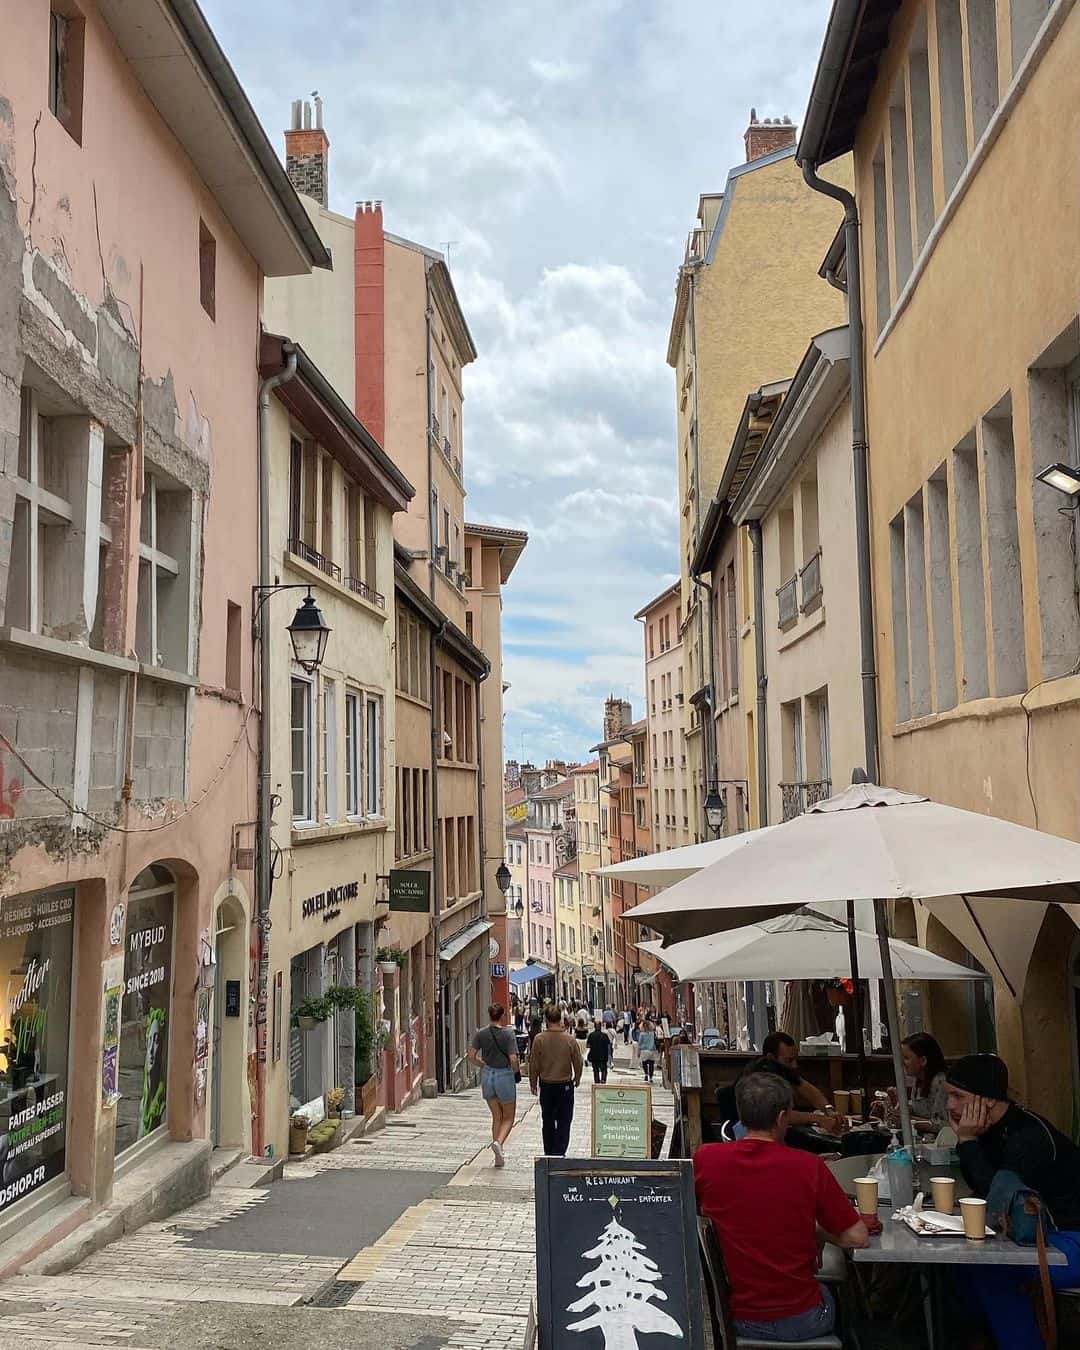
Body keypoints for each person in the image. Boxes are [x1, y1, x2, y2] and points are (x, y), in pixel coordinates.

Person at [695, 1072, 867, 1342]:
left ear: (742, 1114)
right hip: (801, 1318)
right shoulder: (809, 1166)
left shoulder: (706, 1159)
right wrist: (816, 1231)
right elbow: (857, 1237)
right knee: (837, 1297)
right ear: (781, 1117)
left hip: (734, 1316)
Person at [946, 1055, 1080, 1350]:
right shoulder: (991, 1129)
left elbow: (1001, 1203)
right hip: (1043, 1233)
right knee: (957, 1264)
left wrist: (967, 1141)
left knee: (994, 1268)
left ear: (986, 1099)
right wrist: (967, 1141)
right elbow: (982, 1186)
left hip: (1070, 1236)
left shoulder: (1027, 1136)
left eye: (957, 1096)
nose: (950, 1105)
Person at [468, 1003, 520, 1168]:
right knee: (509, 1117)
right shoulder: (508, 1034)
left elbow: (471, 1056)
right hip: (504, 1075)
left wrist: (483, 1064)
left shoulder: (481, 1034)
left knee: (496, 1116)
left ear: (489, 1015)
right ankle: (498, 1143)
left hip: (487, 1076)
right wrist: (516, 1070)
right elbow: (513, 1058)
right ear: (502, 1016)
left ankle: (498, 1155)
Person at [528, 1003, 583, 1156]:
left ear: (546, 1020)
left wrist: (533, 1083)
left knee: (548, 1120)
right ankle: (559, 1151)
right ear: (561, 1019)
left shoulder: (539, 1039)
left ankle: (549, 1151)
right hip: (564, 1086)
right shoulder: (569, 1040)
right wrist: (577, 1077)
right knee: (564, 1121)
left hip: (546, 1085)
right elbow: (578, 1061)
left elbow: (534, 1063)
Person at [900, 1031, 948, 1125]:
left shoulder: (940, 1082)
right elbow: (920, 1111)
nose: (902, 1062)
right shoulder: (918, 1080)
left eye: (906, 1058)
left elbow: (942, 1123)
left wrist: (907, 1119)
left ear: (923, 1060)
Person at [586, 1019, 612, 1084]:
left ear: (594, 1026)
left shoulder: (591, 1035)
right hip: (603, 1056)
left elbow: (588, 1045)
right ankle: (603, 1080)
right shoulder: (605, 1035)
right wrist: (609, 1055)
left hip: (594, 1056)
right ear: (601, 1027)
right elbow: (608, 1046)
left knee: (595, 1071)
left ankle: (597, 1082)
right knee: (604, 1070)